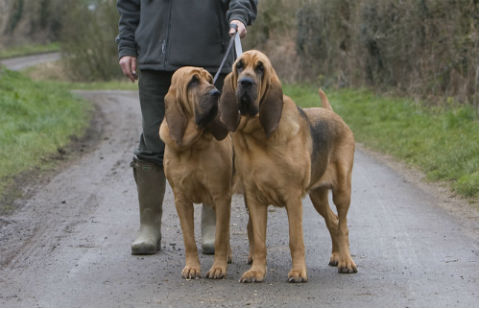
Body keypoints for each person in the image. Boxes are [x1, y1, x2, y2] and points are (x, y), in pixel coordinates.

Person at [116, 0, 257, 255]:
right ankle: (149, 226)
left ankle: (212, 225)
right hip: (153, 62)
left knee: (216, 140)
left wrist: (239, 14)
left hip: (209, 59)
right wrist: (126, 46)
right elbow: (129, 5)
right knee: (152, 141)